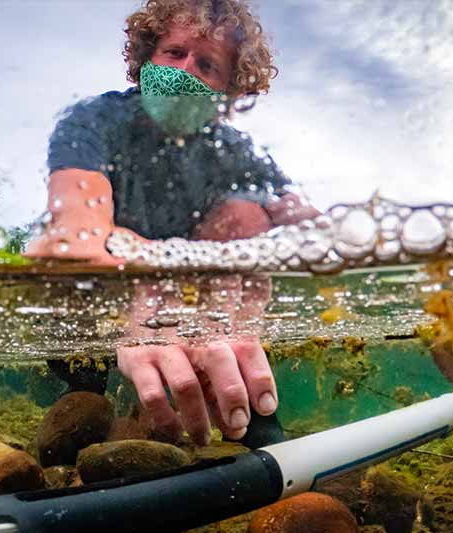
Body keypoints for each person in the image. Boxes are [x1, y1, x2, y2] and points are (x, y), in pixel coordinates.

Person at [27, 0, 317, 446]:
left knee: (247, 216)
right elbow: (78, 223)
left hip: (199, 302)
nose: (186, 71)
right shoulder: (95, 119)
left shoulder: (236, 152)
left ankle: (244, 405)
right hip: (102, 293)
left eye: (207, 64)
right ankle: (85, 396)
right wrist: (129, 275)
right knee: (83, 398)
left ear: (228, 88)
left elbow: (311, 226)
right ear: (148, 57)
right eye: (175, 53)